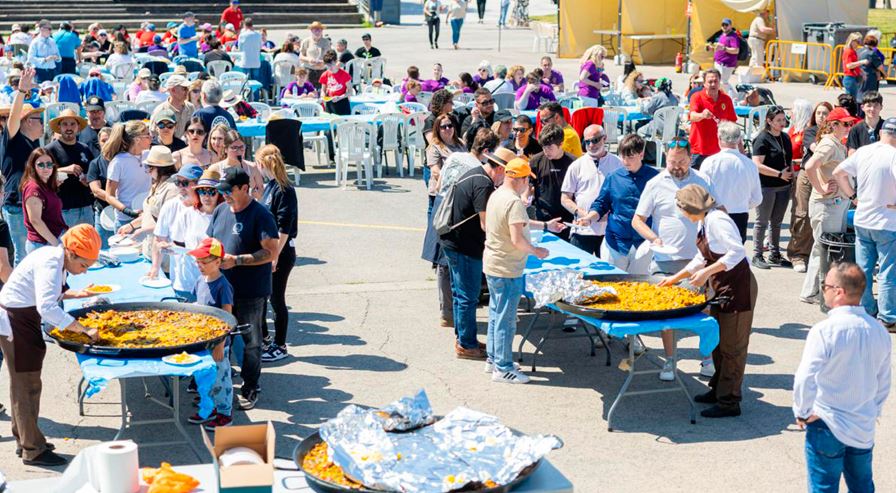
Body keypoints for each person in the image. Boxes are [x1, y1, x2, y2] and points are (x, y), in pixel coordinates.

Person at [0, 224, 101, 465]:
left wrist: (77, 294)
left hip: (21, 317)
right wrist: (83, 329)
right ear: (71, 253)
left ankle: (25, 439)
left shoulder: (55, 257)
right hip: (17, 321)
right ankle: (33, 450)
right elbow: (46, 307)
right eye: (83, 265)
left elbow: (48, 291)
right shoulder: (50, 263)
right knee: (27, 385)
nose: (84, 271)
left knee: (24, 384)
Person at [659, 184, 757, 418]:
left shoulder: (718, 221)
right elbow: (700, 258)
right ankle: (718, 390)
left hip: (739, 287)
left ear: (692, 207)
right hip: (721, 287)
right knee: (718, 343)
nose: (682, 214)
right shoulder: (703, 221)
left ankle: (729, 402)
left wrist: (705, 273)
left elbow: (737, 252)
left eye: (682, 209)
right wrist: (675, 278)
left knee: (732, 347)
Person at [793, 262, 891, 492]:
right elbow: (884, 380)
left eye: (825, 286)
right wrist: (873, 411)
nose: (823, 290)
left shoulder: (824, 331)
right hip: (862, 425)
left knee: (823, 487)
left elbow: (806, 376)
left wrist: (803, 411)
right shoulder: (879, 331)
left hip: (826, 421)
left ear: (839, 292)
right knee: (862, 485)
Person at [632, 138, 713, 381]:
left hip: (697, 259)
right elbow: (638, 220)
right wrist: (653, 238)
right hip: (664, 259)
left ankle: (708, 358)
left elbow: (717, 211)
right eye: (671, 162)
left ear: (691, 158)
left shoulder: (702, 180)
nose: (676, 167)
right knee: (666, 311)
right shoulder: (655, 183)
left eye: (681, 162)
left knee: (704, 309)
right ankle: (669, 360)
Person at [484, 157, 563, 384]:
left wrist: (546, 225)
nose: (529, 184)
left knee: (496, 314)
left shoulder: (498, 194)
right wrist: (536, 251)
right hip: (507, 268)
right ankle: (503, 368)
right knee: (507, 319)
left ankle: (494, 359)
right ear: (521, 179)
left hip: (494, 264)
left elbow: (518, 223)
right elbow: (517, 239)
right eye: (528, 180)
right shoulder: (514, 202)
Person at [206, 168, 279, 410]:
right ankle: (218, 385)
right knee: (218, 338)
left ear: (245, 188)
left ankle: (250, 387)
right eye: (222, 191)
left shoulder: (261, 214)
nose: (224, 195)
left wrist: (237, 260)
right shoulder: (220, 210)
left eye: (229, 191)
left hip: (251, 291)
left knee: (251, 342)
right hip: (221, 288)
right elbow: (211, 242)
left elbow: (270, 252)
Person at [439, 128, 502, 360]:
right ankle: (466, 344)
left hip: (453, 242)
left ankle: (464, 338)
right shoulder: (483, 184)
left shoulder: (476, 173)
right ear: (500, 168)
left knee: (460, 294)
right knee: (468, 296)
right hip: (464, 246)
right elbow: (486, 224)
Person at [833, 117, 896, 330]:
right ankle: (888, 317)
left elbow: (838, 173)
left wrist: (853, 196)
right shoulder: (893, 155)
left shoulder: (864, 151)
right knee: (887, 273)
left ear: (881, 134)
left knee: (863, 270)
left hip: (863, 219)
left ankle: (867, 310)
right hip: (887, 223)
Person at [798, 107, 856, 305]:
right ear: (834, 125)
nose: (849, 127)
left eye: (850, 123)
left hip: (834, 204)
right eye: (845, 124)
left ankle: (816, 291)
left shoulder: (836, 143)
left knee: (827, 249)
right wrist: (821, 188)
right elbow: (810, 165)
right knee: (822, 248)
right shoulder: (829, 144)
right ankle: (811, 292)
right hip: (827, 204)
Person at [576, 134, 658, 272]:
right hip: (615, 243)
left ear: (641, 155)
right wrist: (589, 218)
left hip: (644, 244)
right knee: (611, 281)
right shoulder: (613, 177)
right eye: (622, 156)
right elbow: (601, 204)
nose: (625, 161)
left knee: (640, 284)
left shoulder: (655, 178)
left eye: (630, 157)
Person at [184, 237, 235, 430]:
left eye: (204, 262)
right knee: (205, 379)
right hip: (202, 342)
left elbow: (227, 318)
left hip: (217, 345)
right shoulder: (200, 280)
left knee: (221, 380)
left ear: (218, 262)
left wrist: (220, 345)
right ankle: (209, 408)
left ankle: (225, 414)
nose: (200, 266)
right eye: (198, 261)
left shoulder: (223, 285)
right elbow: (199, 305)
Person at [254, 145, 298, 362]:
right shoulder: (270, 187)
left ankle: (280, 344)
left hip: (281, 251)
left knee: (277, 299)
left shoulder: (284, 189)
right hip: (270, 250)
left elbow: (284, 227)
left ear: (261, 164)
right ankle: (266, 339)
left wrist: (274, 255)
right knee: (265, 297)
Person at [2, 69, 44, 265]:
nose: (43, 124)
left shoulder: (34, 144)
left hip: (33, 203)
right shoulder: (13, 139)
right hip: (17, 205)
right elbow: (13, 118)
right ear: (27, 121)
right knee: (23, 256)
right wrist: (21, 91)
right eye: (39, 120)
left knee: (34, 254)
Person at [146, 165, 206, 298]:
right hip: (180, 283)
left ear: (199, 185)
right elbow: (159, 238)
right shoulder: (170, 206)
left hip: (206, 282)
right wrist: (155, 268)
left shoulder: (209, 209)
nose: (180, 187)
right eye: (177, 182)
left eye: (185, 183)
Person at [560, 124, 621, 256]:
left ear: (604, 138)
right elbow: (565, 199)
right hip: (582, 230)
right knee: (579, 267)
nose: (591, 145)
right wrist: (584, 215)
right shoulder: (576, 165)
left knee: (609, 269)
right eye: (587, 142)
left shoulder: (618, 164)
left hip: (610, 231)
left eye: (595, 140)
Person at [699, 122, 762, 243]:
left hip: (714, 214)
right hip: (740, 215)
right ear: (739, 140)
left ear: (719, 138)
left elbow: (701, 194)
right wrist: (742, 204)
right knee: (736, 252)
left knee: (713, 250)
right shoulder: (749, 164)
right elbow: (757, 198)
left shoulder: (709, 163)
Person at [752, 106, 793, 269]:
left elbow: (788, 159)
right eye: (778, 120)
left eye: (784, 120)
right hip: (767, 186)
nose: (782, 123)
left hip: (784, 186)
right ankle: (757, 254)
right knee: (762, 221)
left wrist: (791, 176)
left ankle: (775, 254)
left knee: (777, 222)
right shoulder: (762, 139)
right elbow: (757, 164)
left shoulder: (785, 137)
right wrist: (778, 174)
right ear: (769, 121)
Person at [45, 109, 95, 228]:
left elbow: (93, 173)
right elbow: (40, 174)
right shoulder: (50, 150)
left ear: (78, 127)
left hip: (86, 207)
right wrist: (64, 169)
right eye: (65, 124)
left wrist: (88, 180)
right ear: (59, 127)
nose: (69, 128)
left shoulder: (84, 148)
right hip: (63, 209)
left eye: (72, 124)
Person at [529, 124, 575, 240]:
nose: (546, 151)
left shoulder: (574, 163)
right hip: (543, 217)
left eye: (550, 147)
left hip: (566, 218)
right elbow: (529, 184)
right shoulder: (536, 161)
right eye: (543, 147)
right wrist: (526, 196)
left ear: (561, 144)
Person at [104, 121, 152, 228]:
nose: (151, 138)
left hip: (147, 216)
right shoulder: (118, 162)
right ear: (137, 139)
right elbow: (109, 196)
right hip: (125, 221)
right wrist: (129, 212)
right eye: (147, 135)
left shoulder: (150, 155)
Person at [688, 69, 736, 169]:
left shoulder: (726, 99)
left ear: (719, 82)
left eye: (716, 81)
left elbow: (732, 124)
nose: (713, 84)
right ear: (704, 83)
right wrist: (702, 115)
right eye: (710, 82)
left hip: (720, 150)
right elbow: (692, 116)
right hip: (699, 150)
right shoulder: (697, 97)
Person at [20, 149, 66, 254]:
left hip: (50, 241)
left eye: (49, 164)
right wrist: (56, 244)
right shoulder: (33, 188)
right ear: (32, 166)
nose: (46, 168)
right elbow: (35, 220)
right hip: (43, 244)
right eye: (41, 165)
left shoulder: (45, 184)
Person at [209, 128, 264, 199]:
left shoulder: (252, 167)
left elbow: (262, 195)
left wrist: (254, 192)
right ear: (225, 149)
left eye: (241, 147)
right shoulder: (215, 169)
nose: (239, 151)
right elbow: (209, 193)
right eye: (234, 148)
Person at [426, 113, 466, 205]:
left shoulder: (461, 143)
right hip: (441, 191)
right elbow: (435, 171)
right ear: (438, 130)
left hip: (460, 189)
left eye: (450, 125)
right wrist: (451, 183)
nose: (448, 128)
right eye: (443, 127)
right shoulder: (434, 147)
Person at [86, 127, 113, 246]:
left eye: (109, 140)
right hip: (104, 213)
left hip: (125, 214)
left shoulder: (124, 160)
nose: (106, 143)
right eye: (103, 140)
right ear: (99, 143)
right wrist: (117, 201)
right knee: (102, 250)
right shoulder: (95, 164)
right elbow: (96, 191)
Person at [151, 75, 195, 140]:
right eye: (184, 88)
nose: (187, 91)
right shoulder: (160, 110)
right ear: (173, 90)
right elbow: (153, 134)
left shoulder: (190, 107)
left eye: (187, 88)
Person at [846, 91, 883, 156]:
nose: (872, 109)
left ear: (881, 107)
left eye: (876, 105)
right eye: (869, 106)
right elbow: (852, 154)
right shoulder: (855, 129)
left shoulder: (887, 128)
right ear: (862, 107)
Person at [319, 50, 353, 116]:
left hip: (342, 103)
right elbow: (323, 90)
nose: (330, 67)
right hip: (330, 103)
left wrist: (340, 97)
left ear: (336, 61)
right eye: (327, 65)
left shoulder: (345, 75)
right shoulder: (325, 74)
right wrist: (323, 96)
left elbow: (350, 91)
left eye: (331, 64)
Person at [299, 21, 331, 91]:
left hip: (322, 70)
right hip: (309, 70)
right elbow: (301, 57)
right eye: (315, 30)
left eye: (320, 30)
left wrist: (323, 61)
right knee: (309, 91)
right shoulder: (306, 41)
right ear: (311, 30)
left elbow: (330, 57)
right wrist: (309, 59)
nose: (317, 32)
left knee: (323, 92)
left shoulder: (326, 42)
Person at [713, 18, 739, 96]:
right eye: (723, 25)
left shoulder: (733, 36)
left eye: (726, 25)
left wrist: (724, 48)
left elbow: (736, 50)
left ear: (730, 26)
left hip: (726, 64)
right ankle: (732, 96)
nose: (724, 26)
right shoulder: (722, 35)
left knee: (723, 82)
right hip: (719, 63)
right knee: (722, 82)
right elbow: (720, 48)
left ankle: (731, 97)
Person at [237, 18, 262, 84]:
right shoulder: (258, 35)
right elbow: (260, 47)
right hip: (256, 61)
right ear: (252, 25)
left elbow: (240, 49)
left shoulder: (242, 35)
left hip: (246, 62)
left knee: (245, 83)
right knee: (256, 83)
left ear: (244, 25)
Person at [841, 32, 864, 100]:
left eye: (859, 42)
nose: (859, 44)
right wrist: (862, 62)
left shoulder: (852, 51)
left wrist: (861, 71)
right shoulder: (849, 51)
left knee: (852, 99)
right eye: (857, 42)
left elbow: (853, 64)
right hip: (850, 78)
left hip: (852, 77)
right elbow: (849, 65)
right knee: (851, 100)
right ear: (852, 41)